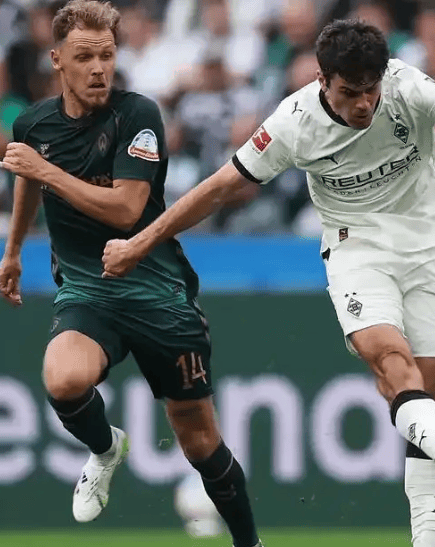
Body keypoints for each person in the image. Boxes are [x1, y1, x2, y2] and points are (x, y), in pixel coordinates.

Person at [100, 19, 435, 547]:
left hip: (430, 249)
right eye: (350, 92)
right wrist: (141, 242)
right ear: (322, 80)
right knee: (391, 362)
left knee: (433, 391)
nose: (364, 103)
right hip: (357, 252)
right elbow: (219, 188)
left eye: (370, 90)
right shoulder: (293, 123)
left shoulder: (405, 84)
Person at [0, 2, 262, 546]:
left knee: (200, 443)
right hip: (89, 291)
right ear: (57, 60)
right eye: (84, 57)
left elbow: (125, 209)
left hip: (158, 295)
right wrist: (14, 250)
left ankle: (249, 543)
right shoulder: (34, 124)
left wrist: (46, 171)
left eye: (107, 55)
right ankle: (105, 449)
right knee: (62, 380)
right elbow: (27, 176)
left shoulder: (138, 115)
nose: (99, 68)